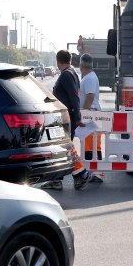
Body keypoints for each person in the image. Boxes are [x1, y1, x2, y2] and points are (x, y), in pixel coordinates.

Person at [40, 50, 92, 191]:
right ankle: (63, 178)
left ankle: (80, 174)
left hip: (64, 118)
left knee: (62, 148)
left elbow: (73, 97)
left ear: (58, 61)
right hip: (66, 117)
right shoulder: (73, 73)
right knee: (63, 148)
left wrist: (77, 118)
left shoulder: (66, 75)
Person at [79, 54, 104, 183]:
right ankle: (96, 172)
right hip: (93, 114)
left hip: (91, 114)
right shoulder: (91, 76)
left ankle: (94, 171)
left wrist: (83, 114)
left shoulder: (88, 78)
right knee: (94, 145)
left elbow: (89, 97)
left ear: (81, 65)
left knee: (91, 145)